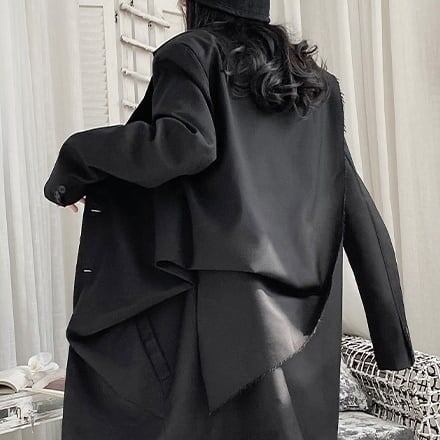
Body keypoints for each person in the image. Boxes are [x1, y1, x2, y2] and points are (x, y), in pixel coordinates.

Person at [43, 0, 415, 438]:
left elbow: (184, 146)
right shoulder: (315, 85)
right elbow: (355, 204)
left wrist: (78, 157)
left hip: (220, 319)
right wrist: (391, 337)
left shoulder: (192, 53)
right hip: (304, 327)